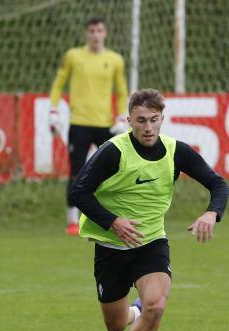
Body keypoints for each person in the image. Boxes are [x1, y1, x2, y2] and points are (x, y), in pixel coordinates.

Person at [71, 88, 229, 331]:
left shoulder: (175, 151)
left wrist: (212, 213)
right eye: (140, 120)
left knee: (156, 305)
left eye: (154, 120)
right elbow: (78, 192)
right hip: (110, 247)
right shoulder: (113, 151)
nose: (147, 127)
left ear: (162, 119)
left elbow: (217, 183)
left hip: (151, 244)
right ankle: (133, 311)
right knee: (115, 325)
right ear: (128, 120)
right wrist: (113, 221)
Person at [49, 16, 129, 235]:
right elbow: (58, 83)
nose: (95, 35)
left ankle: (114, 214)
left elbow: (121, 90)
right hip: (79, 123)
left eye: (99, 31)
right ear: (87, 33)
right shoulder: (74, 56)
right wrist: (53, 110)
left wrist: (122, 116)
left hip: (105, 125)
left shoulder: (115, 59)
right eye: (92, 31)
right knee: (76, 171)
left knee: (114, 170)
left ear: (106, 33)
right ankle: (72, 219)